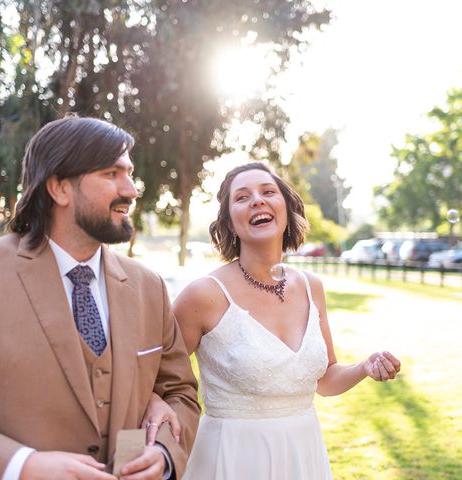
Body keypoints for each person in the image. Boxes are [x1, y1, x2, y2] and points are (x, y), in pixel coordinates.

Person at [0, 116, 200, 480]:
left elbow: (181, 394)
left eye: (129, 172)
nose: (131, 189)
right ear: (59, 188)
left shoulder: (148, 286)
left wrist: (165, 452)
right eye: (111, 173)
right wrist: (21, 465)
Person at [170, 162, 401, 479]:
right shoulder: (204, 295)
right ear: (228, 222)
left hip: (302, 456)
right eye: (242, 197)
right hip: (231, 459)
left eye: (268, 192)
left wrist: (365, 366)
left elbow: (326, 380)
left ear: (287, 209)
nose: (257, 201)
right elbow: (154, 381)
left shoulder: (311, 287)